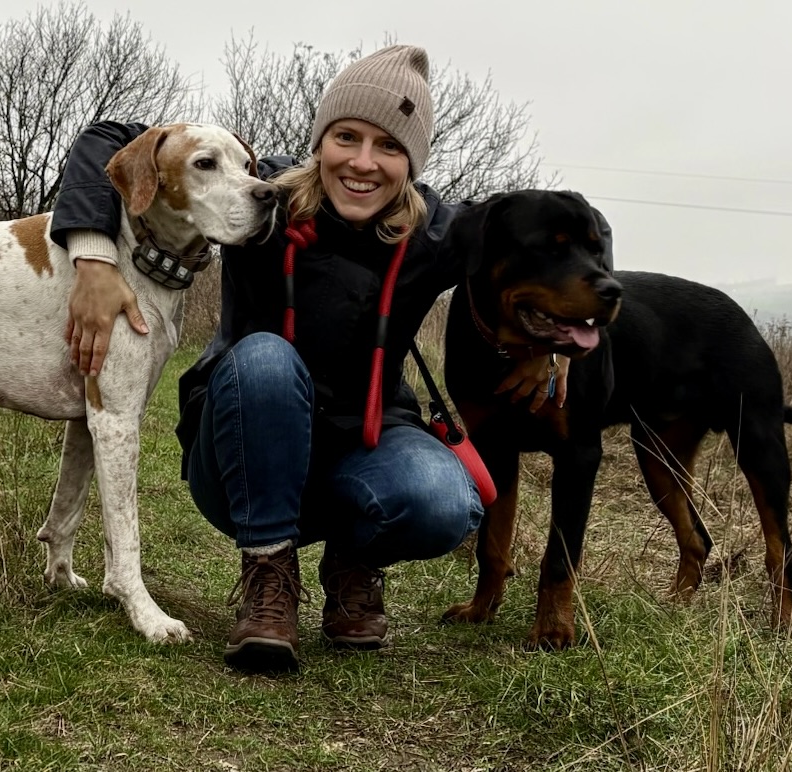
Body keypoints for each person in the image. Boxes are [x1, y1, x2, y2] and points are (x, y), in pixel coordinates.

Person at [50, 45, 561, 673]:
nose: (363, 162)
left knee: (444, 499)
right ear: (321, 141)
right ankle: (268, 574)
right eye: (346, 137)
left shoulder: (433, 231)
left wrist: (550, 342)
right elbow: (107, 140)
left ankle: (353, 563)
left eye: (389, 146)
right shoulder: (262, 195)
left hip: (362, 446)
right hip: (241, 451)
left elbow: (549, 228)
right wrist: (93, 257)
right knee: (265, 358)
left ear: (412, 161)